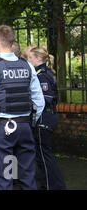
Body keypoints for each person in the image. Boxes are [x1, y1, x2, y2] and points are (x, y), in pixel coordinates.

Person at [0, 25, 45, 190]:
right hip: (24, 127)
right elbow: (39, 101)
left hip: (3, 131)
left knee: (5, 177)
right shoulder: (27, 66)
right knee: (27, 176)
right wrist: (30, 122)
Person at [28, 46, 66, 190]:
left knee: (44, 155)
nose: (29, 60)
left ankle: (54, 185)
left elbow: (45, 99)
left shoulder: (42, 75)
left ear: (38, 59)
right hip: (48, 116)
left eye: (31, 58)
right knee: (42, 154)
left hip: (44, 117)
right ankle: (48, 183)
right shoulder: (45, 72)